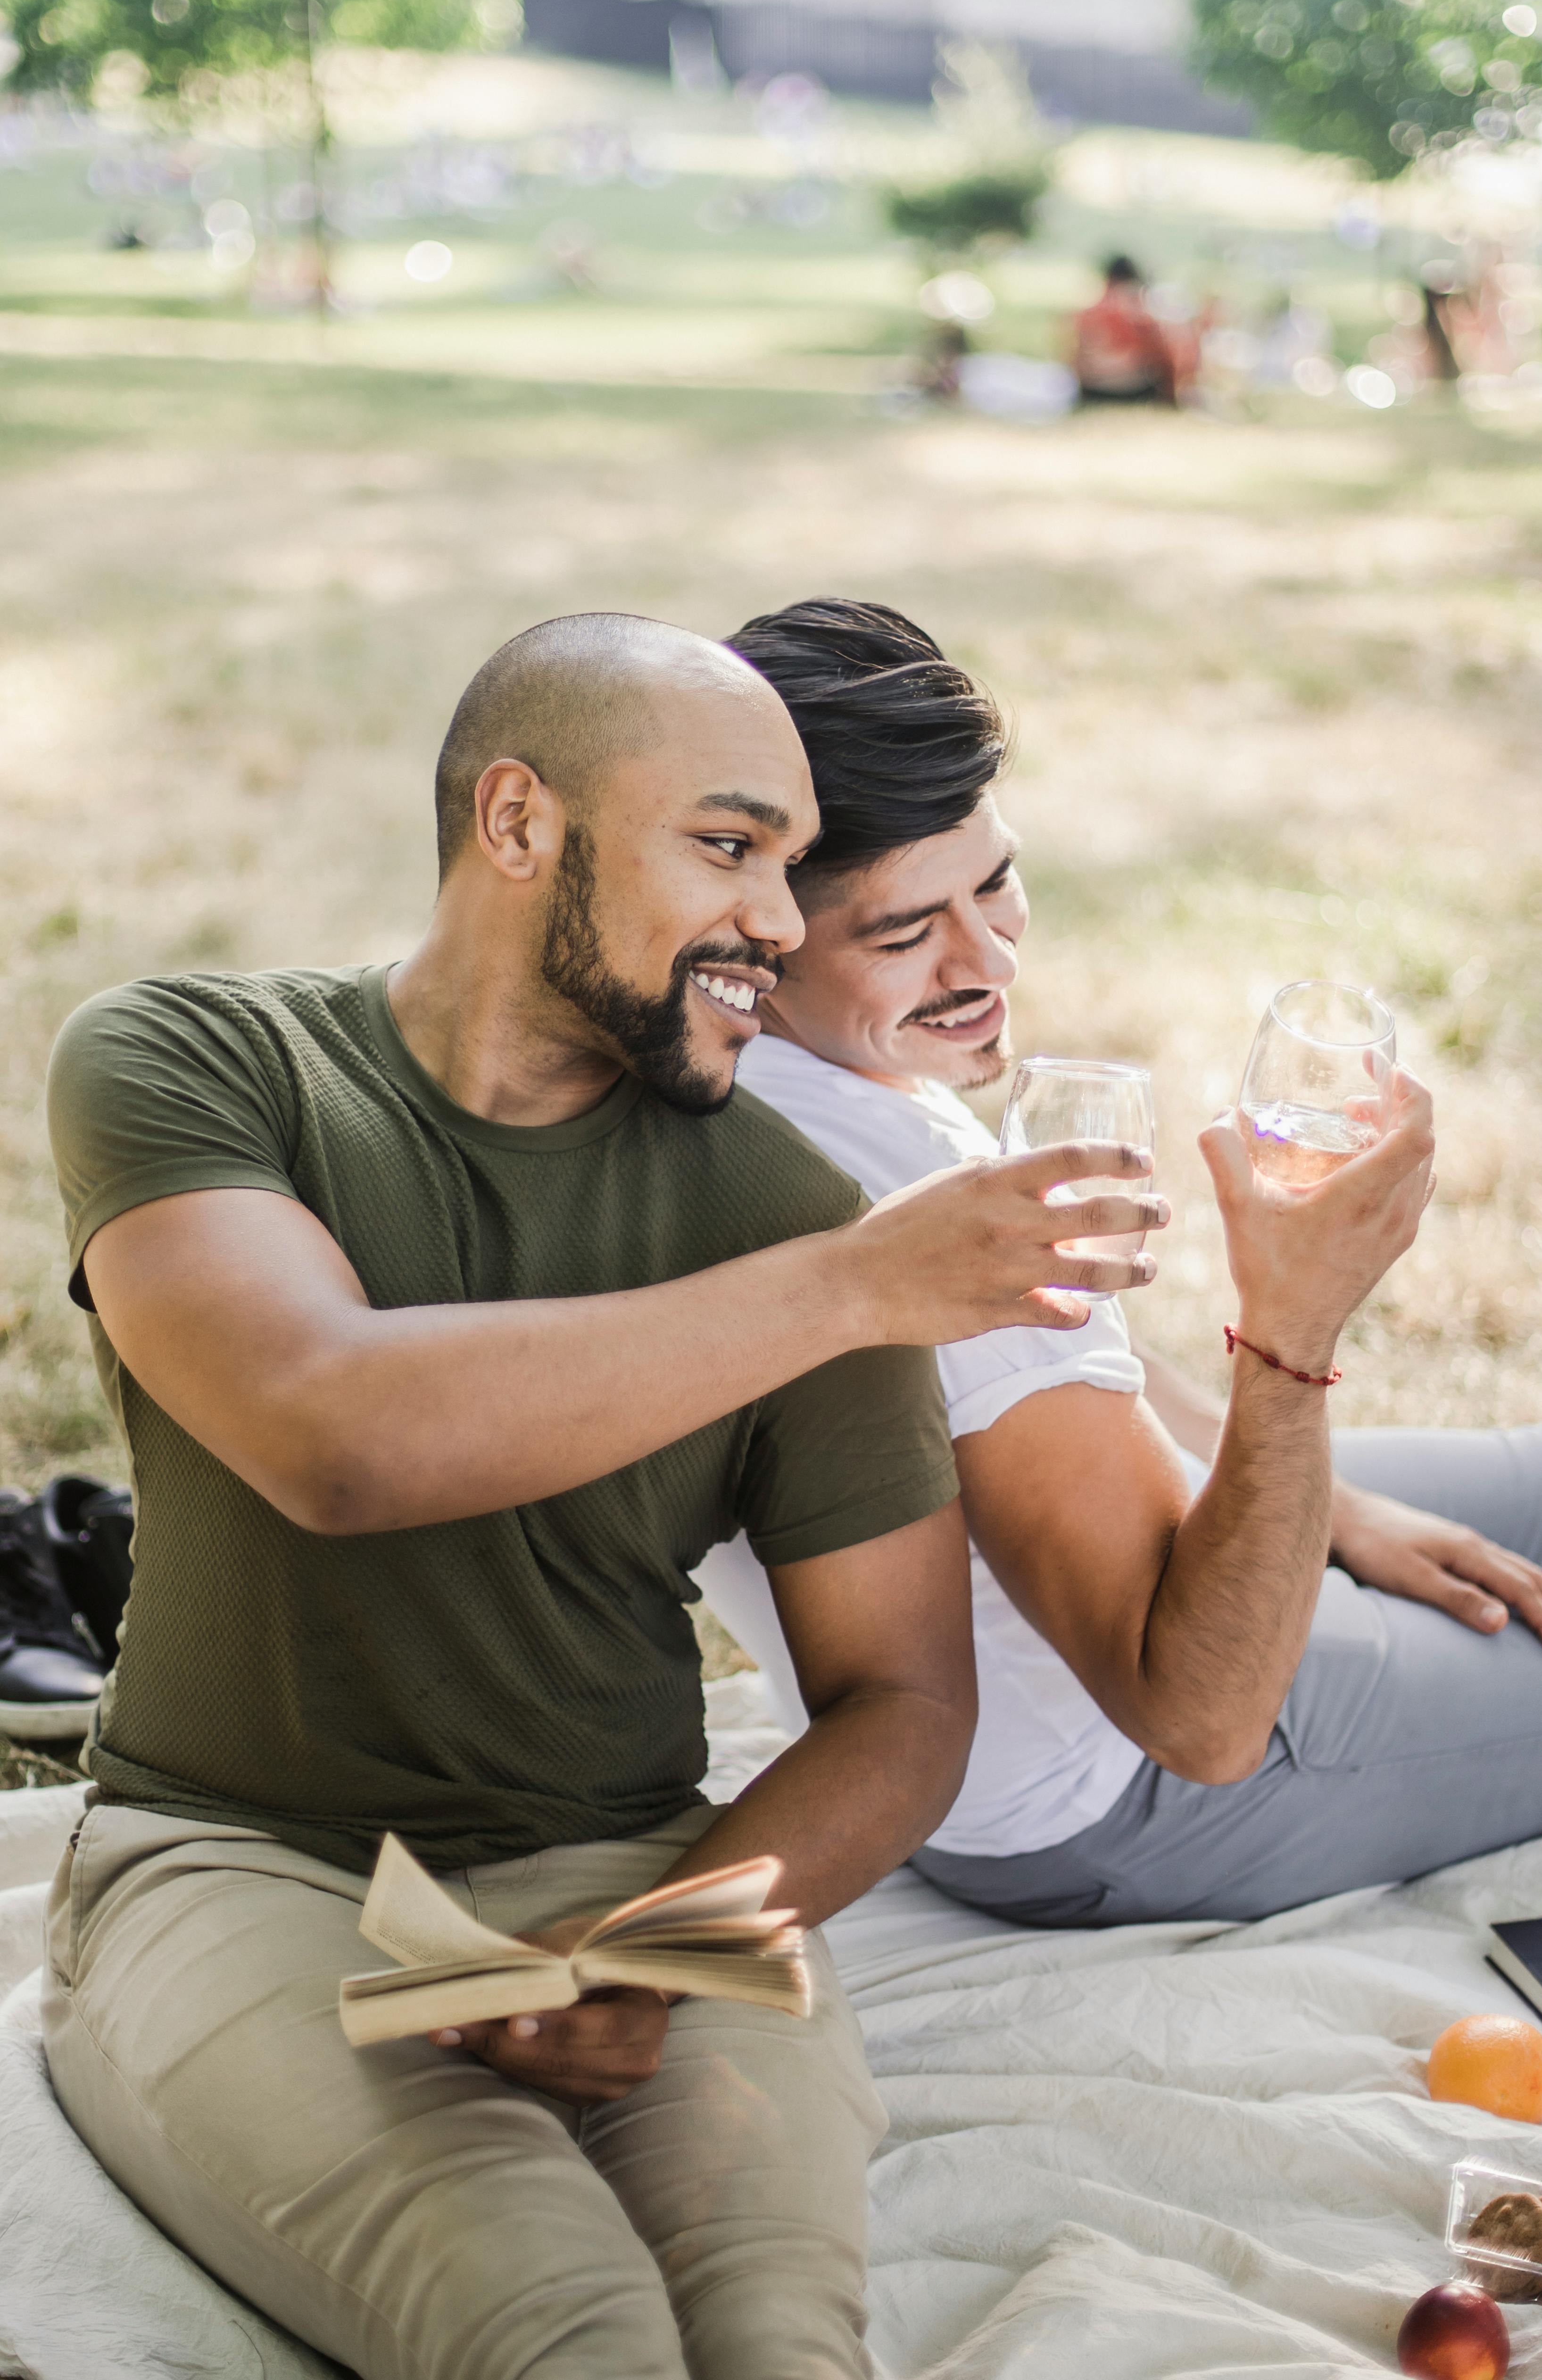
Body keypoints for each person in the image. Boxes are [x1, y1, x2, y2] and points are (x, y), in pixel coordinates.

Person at [38, 612, 1146, 2380]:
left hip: (647, 1858)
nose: (778, 924)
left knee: (776, 2336)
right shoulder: (199, 1062)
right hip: (241, 1856)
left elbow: (905, 1699)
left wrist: (661, 1947)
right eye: (727, 846)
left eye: (789, 865)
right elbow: (334, 1434)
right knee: (555, 2317)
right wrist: (857, 1284)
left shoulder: (783, 1203)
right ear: (515, 823)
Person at [696, 597, 1542, 1930]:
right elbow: (1194, 1715)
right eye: (904, 932)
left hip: (1155, 1578)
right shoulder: (904, 1211)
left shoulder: (777, 1062)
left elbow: (1079, 1382)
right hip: (1126, 1789)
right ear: (757, 931)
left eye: (992, 882)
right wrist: (1293, 1333)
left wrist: (1331, 1516)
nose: (986, 960)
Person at [1070, 253, 1197, 407]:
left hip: (1092, 390)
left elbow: (1073, 356)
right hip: (1135, 390)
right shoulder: (1139, 311)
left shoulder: (1088, 312)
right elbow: (1165, 354)